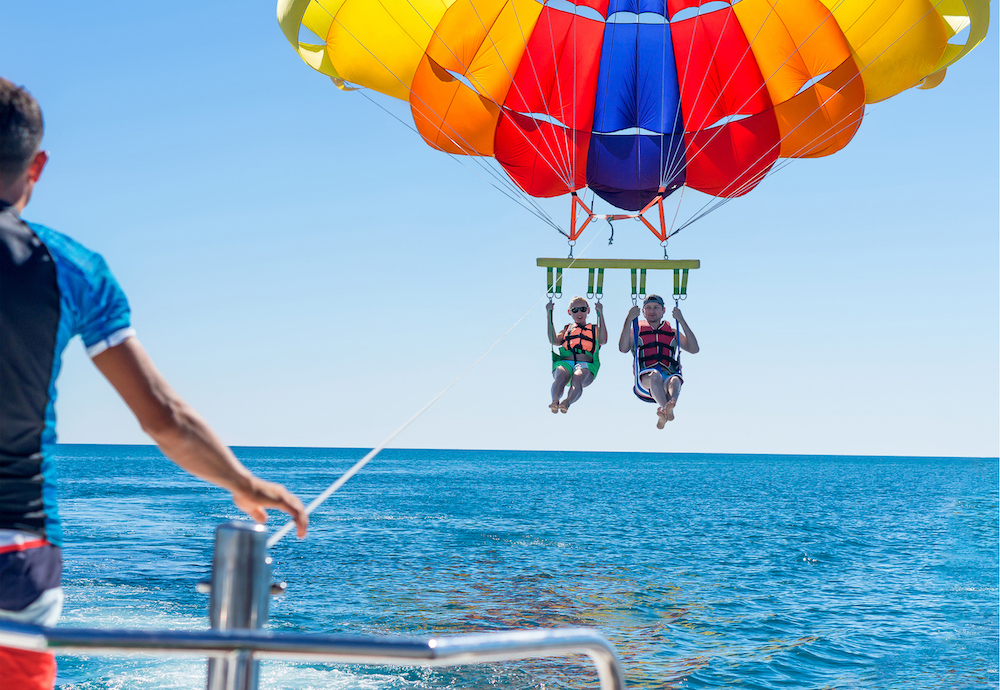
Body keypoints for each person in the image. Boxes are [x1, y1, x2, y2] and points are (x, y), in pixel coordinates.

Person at [0, 78, 309, 689]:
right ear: (37, 166)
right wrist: (244, 483)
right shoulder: (73, 269)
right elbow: (163, 416)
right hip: (18, 557)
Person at [619, 294, 699, 429]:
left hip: (667, 375)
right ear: (643, 311)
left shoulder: (672, 332)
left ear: (663, 311)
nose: (652, 311)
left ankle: (668, 408)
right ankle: (665, 408)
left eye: (656, 307)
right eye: (648, 308)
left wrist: (681, 320)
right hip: (646, 378)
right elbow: (623, 348)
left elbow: (694, 349)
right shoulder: (636, 331)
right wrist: (629, 319)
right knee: (655, 375)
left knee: (675, 380)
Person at [546, 296, 607, 413]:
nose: (579, 313)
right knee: (561, 375)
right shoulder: (567, 329)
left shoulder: (594, 329)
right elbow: (554, 340)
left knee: (577, 376)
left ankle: (567, 402)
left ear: (588, 310)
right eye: (575, 310)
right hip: (566, 362)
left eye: (583, 309)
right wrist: (549, 315)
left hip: (585, 365)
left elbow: (603, 340)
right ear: (570, 312)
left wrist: (600, 314)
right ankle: (555, 401)